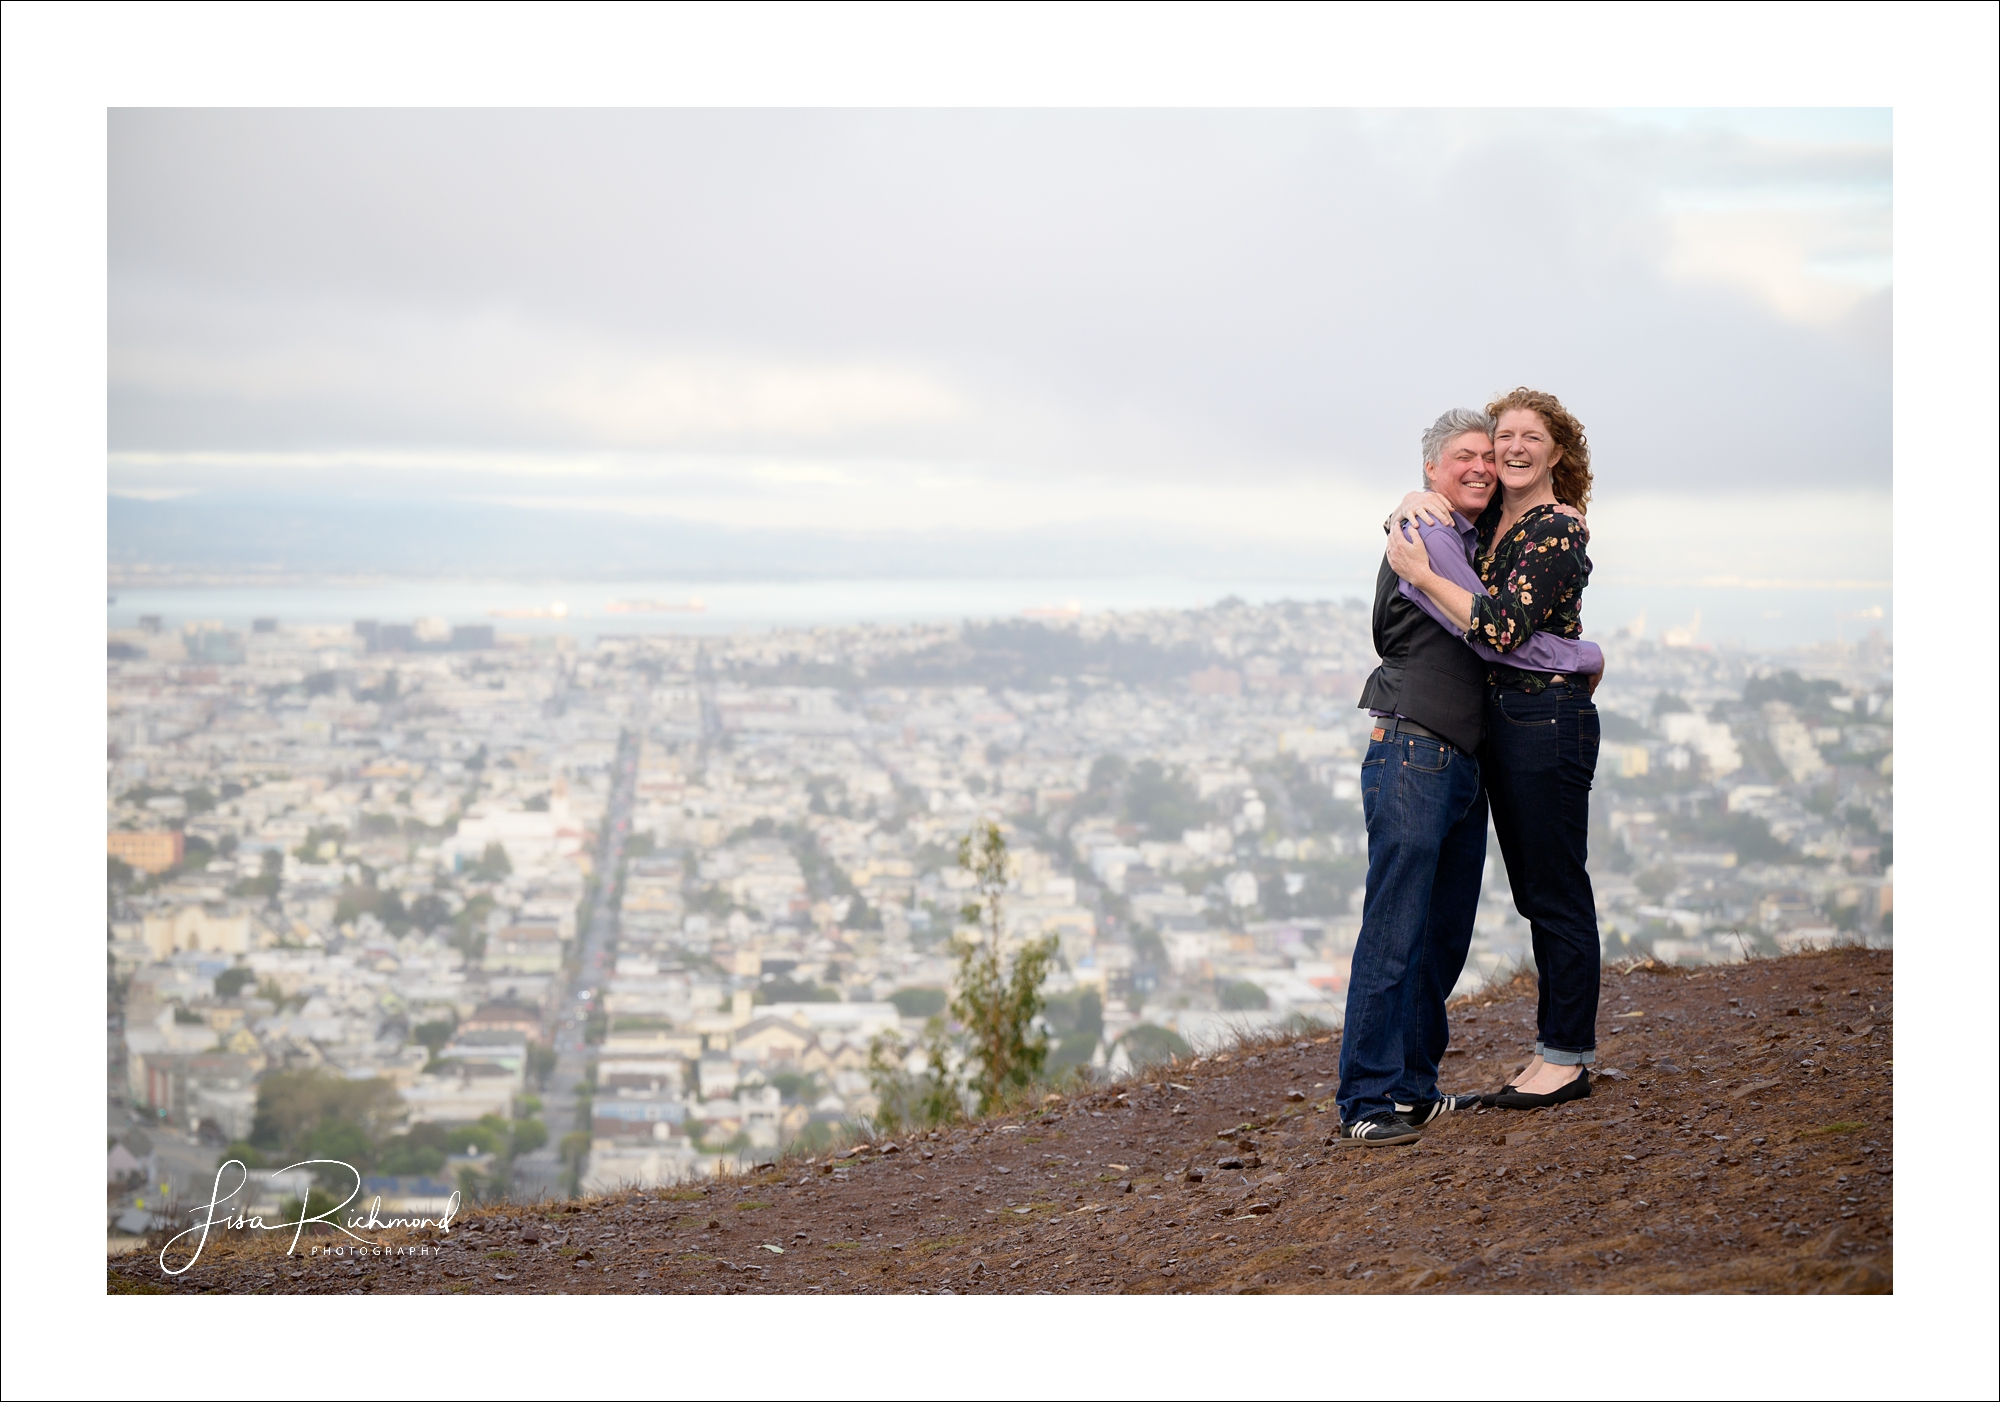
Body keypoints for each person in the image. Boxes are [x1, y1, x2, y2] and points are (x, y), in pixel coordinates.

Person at [1334, 408, 1603, 1146]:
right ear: (1431, 468)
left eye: (1493, 454)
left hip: (1459, 757)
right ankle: (1365, 1099)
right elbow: (1498, 634)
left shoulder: (1463, 531)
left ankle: (1412, 1087)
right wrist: (1584, 657)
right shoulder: (1428, 538)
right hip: (1418, 748)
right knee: (1396, 929)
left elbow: (1498, 623)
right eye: (1466, 455)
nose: (1485, 464)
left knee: (1441, 933)